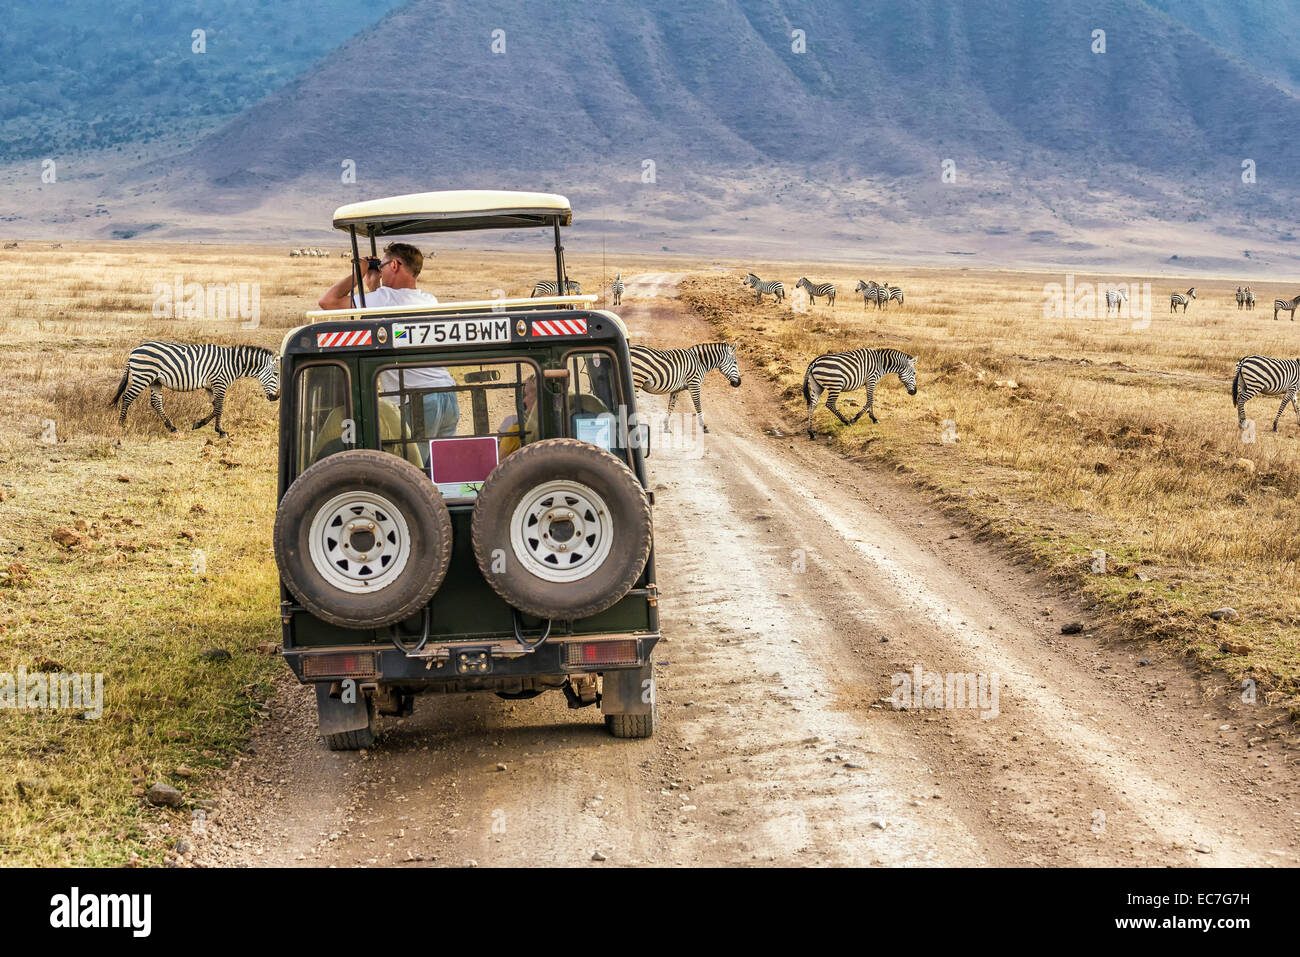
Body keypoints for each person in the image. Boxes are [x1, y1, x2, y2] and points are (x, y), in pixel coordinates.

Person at [318, 242, 459, 456]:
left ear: (394, 265)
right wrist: (374, 288)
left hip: (418, 400)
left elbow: (327, 302)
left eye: (382, 265)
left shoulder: (382, 299)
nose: (380, 272)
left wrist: (359, 271)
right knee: (441, 468)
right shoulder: (429, 300)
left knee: (411, 471)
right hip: (447, 396)